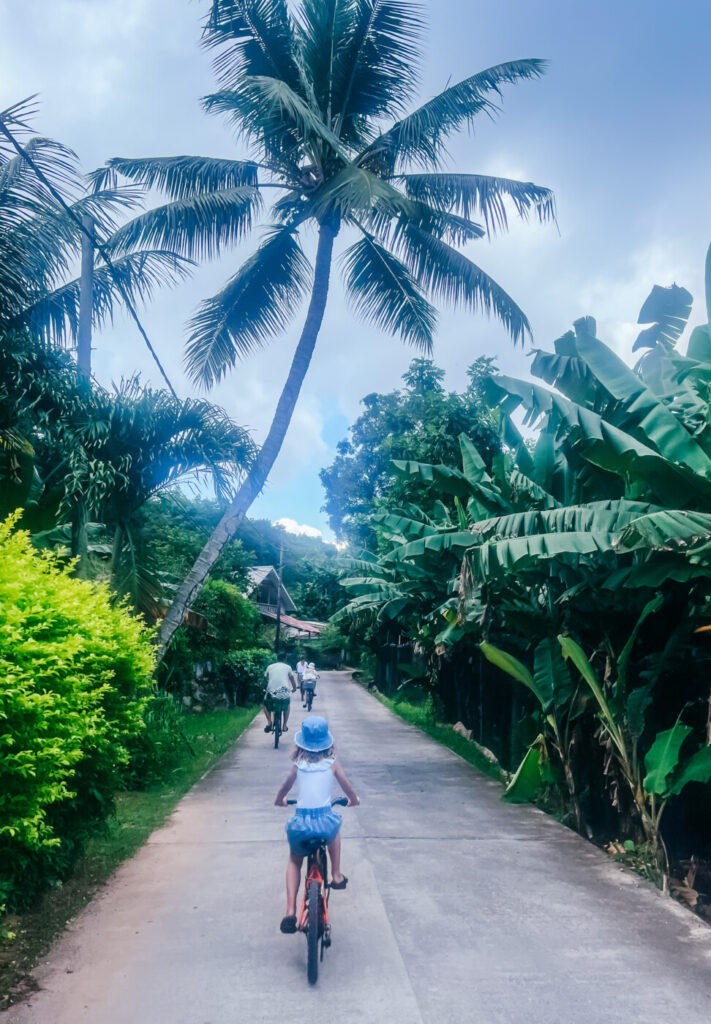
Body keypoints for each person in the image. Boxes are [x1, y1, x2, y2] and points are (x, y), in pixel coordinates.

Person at [274, 716, 359, 934]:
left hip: (301, 824)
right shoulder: (332, 765)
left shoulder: (298, 766)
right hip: (324, 821)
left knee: (294, 860)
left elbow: (285, 787)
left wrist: (280, 800)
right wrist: (353, 800)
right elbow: (348, 789)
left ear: (300, 743)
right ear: (327, 743)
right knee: (334, 831)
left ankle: (290, 911)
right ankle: (336, 875)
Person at [263, 655, 297, 733]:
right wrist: (294, 689)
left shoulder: (270, 667)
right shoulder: (288, 667)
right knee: (287, 705)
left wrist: (263, 688)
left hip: (271, 693)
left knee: (265, 704)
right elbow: (292, 680)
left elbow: (265, 680)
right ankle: (284, 725)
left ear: (277, 659)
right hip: (284, 692)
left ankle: (269, 722)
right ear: (285, 659)